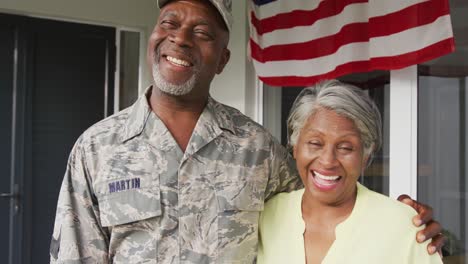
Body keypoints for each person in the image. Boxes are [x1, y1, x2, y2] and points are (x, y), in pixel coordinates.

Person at [50, 1, 443, 263]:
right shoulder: (97, 148)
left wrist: (406, 224)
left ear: (222, 59)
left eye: (202, 32)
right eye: (169, 23)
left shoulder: (258, 149)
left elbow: (321, 200)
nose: (180, 38)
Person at [257, 80, 443, 264]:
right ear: (295, 147)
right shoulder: (263, 216)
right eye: (315, 143)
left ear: (366, 157)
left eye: (345, 148)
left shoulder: (404, 225)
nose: (328, 161)